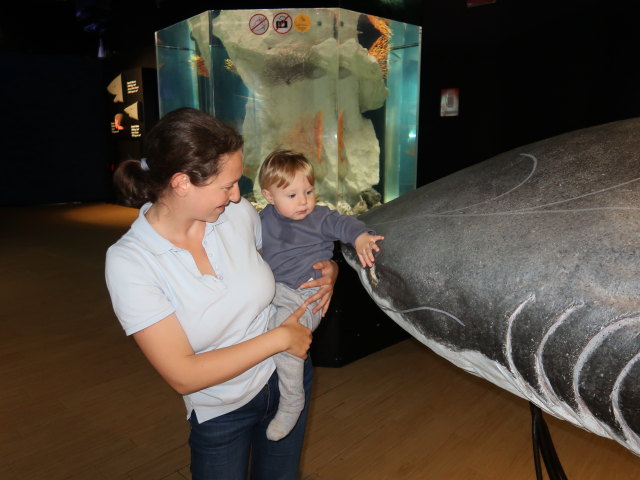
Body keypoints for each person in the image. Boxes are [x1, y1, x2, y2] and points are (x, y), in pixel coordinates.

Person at [104, 108, 338, 480]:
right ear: (181, 183)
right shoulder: (130, 262)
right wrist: (280, 338)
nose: (236, 195)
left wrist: (327, 269)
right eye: (226, 185)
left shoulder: (237, 214)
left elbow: (279, 259)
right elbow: (183, 374)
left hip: (287, 377)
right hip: (221, 409)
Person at [258, 149, 384, 441]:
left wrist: (362, 235)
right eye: (292, 195)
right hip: (273, 291)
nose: (304, 201)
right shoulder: (262, 219)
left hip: (307, 294)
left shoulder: (319, 217)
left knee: (286, 341)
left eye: (309, 191)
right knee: (263, 330)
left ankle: (292, 402)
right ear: (269, 196)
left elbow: (345, 224)